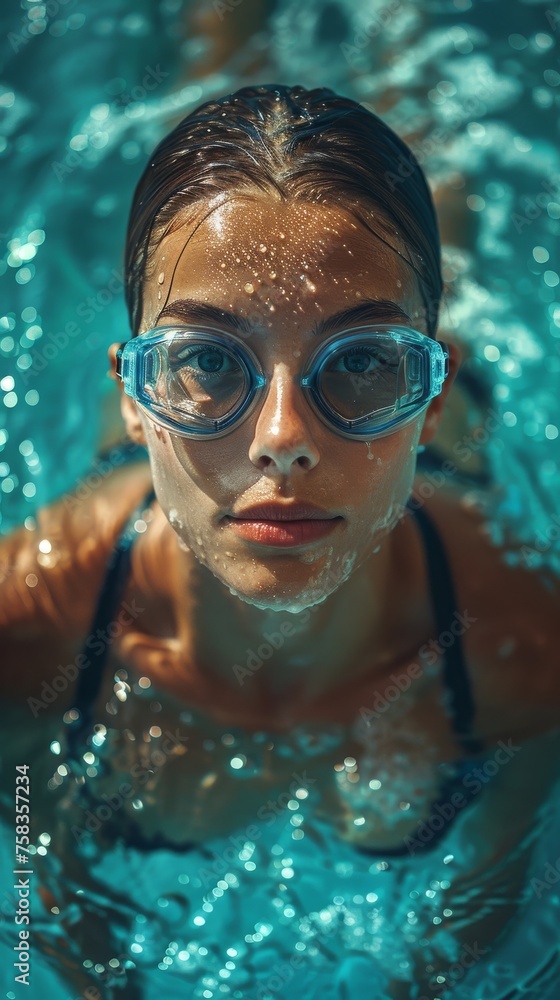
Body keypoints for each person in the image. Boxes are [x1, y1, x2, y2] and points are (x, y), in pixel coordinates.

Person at [1, 83, 559, 1000]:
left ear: (430, 390)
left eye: (367, 359)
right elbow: (40, 910)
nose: (280, 437)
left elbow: (467, 949)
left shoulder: (526, 650)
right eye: (209, 359)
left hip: (439, 482)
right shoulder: (26, 634)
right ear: (137, 402)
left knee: (438, 185)